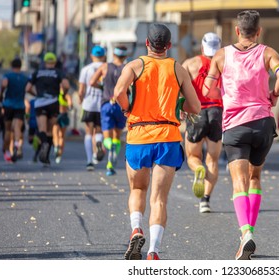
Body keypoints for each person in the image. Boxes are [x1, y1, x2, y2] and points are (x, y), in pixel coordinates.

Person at [203, 10, 279, 260]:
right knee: (255, 177)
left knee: (238, 181)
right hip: (263, 123)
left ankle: (246, 233)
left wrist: (225, 96)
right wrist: (273, 95)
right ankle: (250, 231)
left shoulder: (221, 55)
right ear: (258, 31)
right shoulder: (267, 52)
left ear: (237, 30)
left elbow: (209, 88)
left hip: (235, 125)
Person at [114, 23, 200, 260]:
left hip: (139, 136)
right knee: (159, 198)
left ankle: (136, 228)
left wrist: (127, 108)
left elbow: (118, 91)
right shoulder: (178, 69)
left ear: (147, 44)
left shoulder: (134, 66)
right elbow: (196, 106)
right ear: (169, 46)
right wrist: (179, 105)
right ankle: (153, 251)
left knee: (138, 189)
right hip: (168, 138)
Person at [181, 32, 223, 213]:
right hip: (217, 112)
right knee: (213, 159)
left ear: (202, 47)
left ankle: (198, 169)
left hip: (197, 112)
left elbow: (179, 88)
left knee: (192, 156)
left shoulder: (190, 64)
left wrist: (182, 108)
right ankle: (205, 200)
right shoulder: (225, 64)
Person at [26, 52, 70, 165]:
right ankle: (46, 156)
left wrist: (36, 94)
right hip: (54, 102)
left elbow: (27, 88)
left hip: (40, 102)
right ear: (54, 62)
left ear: (45, 62)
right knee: (51, 130)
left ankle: (44, 144)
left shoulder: (37, 72)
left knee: (42, 129)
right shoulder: (58, 72)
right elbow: (66, 85)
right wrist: (64, 93)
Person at [90, 46, 128, 176]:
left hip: (106, 104)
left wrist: (102, 86)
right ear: (125, 56)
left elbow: (91, 82)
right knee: (117, 136)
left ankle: (108, 146)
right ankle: (110, 165)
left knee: (107, 136)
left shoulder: (105, 67)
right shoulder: (127, 69)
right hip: (121, 105)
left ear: (113, 54)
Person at [78, 45, 106, 171]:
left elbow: (81, 89)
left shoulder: (86, 69)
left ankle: (89, 161)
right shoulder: (106, 68)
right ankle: (99, 144)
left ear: (92, 56)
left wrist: (80, 99)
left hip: (89, 104)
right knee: (99, 130)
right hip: (102, 103)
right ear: (104, 56)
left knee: (88, 132)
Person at [1, 58, 29, 163]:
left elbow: (4, 84)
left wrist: (2, 92)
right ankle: (17, 144)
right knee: (17, 126)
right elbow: (29, 88)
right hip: (20, 105)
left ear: (11, 65)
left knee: (8, 129)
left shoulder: (8, 76)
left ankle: (7, 151)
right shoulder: (24, 78)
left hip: (8, 105)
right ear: (20, 66)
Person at [52, 89, 72, 163]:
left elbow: (70, 102)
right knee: (60, 135)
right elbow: (70, 104)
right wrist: (69, 106)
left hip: (59, 115)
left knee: (57, 134)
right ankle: (58, 151)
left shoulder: (58, 93)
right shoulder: (65, 94)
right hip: (61, 115)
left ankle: (57, 148)